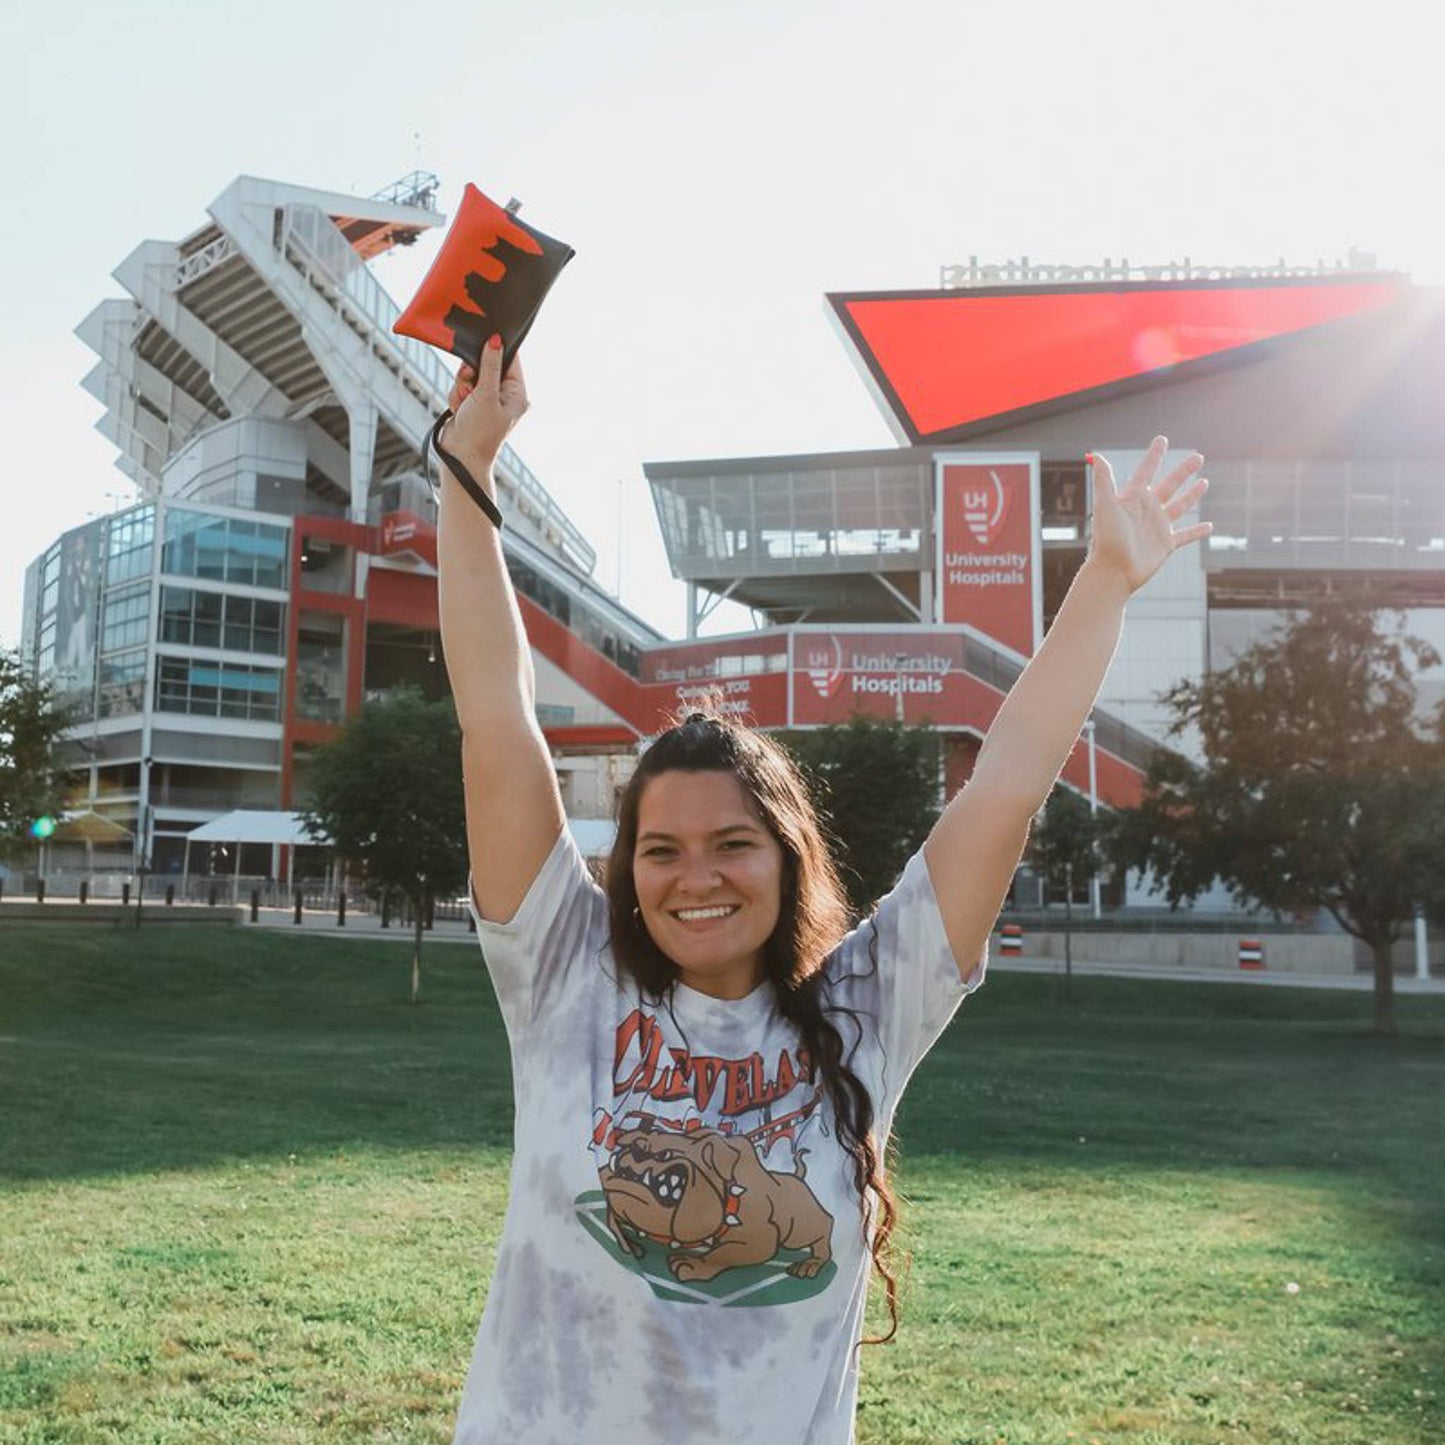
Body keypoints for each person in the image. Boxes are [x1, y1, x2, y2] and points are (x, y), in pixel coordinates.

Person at [436, 335, 1210, 1444]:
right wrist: (467, 474)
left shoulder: (868, 1004)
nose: (694, 876)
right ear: (625, 868)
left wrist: (1099, 582)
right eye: (659, 848)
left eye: (730, 843)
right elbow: (496, 718)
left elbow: (1004, 783)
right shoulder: (562, 970)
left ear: (788, 853)